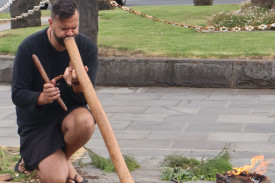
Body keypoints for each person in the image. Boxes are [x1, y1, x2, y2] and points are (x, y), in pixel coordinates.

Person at [11, 0, 98, 182]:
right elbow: (18, 94)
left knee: (86, 122)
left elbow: (85, 100)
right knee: (57, 179)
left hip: (68, 118)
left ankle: (61, 158)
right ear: (51, 23)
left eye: (74, 27)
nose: (70, 33)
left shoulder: (87, 48)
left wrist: (76, 83)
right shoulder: (28, 48)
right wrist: (41, 98)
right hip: (36, 125)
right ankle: (43, 159)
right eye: (64, 29)